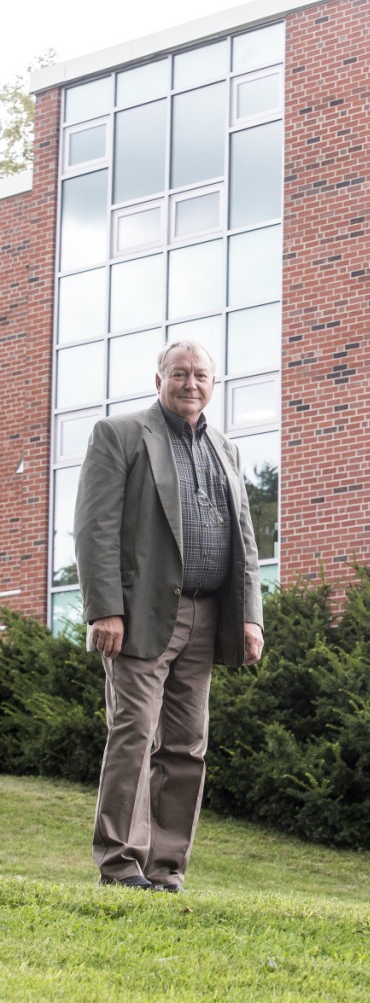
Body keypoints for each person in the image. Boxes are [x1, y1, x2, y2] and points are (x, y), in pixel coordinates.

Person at [74, 339, 264, 892]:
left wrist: (249, 616)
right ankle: (120, 864)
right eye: (178, 373)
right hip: (140, 615)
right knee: (133, 733)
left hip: (208, 616)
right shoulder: (121, 434)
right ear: (158, 379)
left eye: (200, 374)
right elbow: (95, 529)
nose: (190, 383)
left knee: (187, 745)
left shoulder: (225, 447)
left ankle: (166, 868)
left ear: (213, 383)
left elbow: (245, 539)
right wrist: (105, 608)